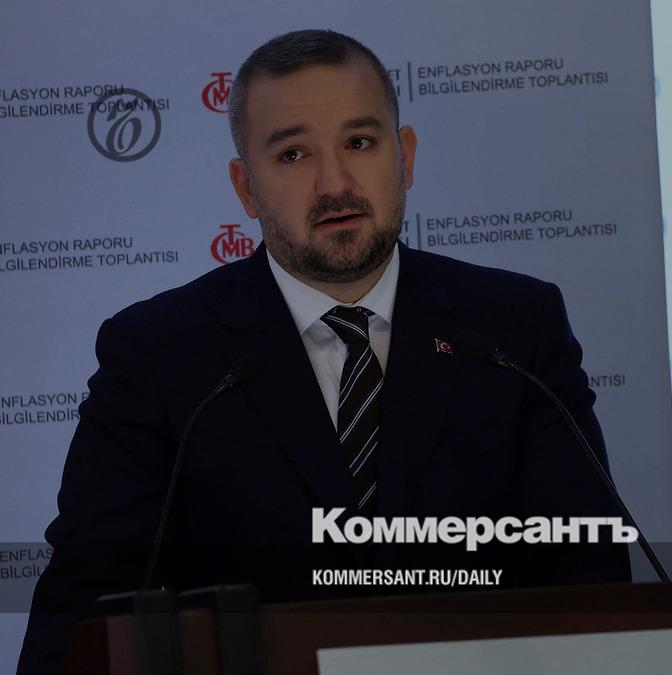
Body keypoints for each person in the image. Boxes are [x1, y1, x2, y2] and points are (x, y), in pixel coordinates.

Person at [18, 29, 630, 674]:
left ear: (405, 156)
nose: (334, 184)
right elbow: (82, 619)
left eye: (359, 143)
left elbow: (589, 582)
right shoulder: (159, 355)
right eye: (292, 155)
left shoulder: (514, 327)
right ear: (246, 188)